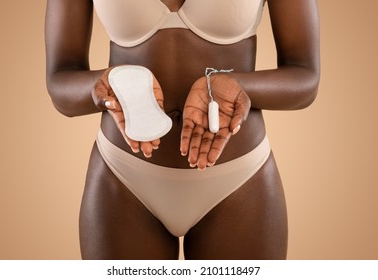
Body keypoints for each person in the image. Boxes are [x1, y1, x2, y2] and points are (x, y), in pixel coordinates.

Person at [45, 0, 320, 260]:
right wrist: (104, 84)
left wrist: (238, 86)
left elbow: (305, 76)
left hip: (238, 180)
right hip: (122, 177)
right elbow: (61, 79)